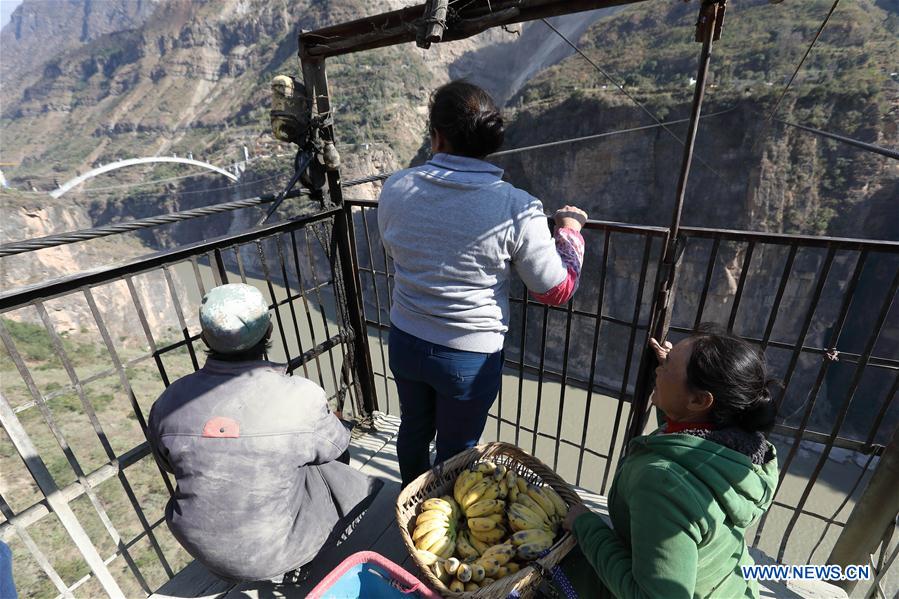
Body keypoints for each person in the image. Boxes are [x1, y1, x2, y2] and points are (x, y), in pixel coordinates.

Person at [377, 80, 589, 487]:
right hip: (468, 357)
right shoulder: (517, 206)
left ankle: (409, 504)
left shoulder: (396, 187)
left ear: (436, 136)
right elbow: (555, 290)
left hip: (405, 336)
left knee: (413, 429)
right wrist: (570, 231)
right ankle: (440, 522)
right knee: (458, 448)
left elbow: (396, 249)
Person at [147, 283, 381, 583]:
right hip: (272, 553)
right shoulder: (300, 397)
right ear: (269, 331)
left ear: (204, 337)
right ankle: (305, 557)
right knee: (333, 470)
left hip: (202, 545)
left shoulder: (169, 402)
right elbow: (337, 446)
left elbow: (168, 464)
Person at [558, 324, 779, 598]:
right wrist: (674, 373)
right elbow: (684, 432)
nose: (658, 369)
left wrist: (586, 526)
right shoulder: (744, 451)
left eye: (668, 366)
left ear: (698, 400)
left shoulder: (662, 483)